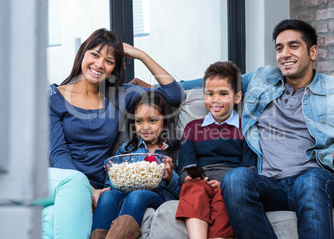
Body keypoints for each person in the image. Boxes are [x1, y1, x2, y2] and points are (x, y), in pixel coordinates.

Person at [164, 19, 334, 239]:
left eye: (294, 46)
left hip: (315, 178)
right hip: (269, 183)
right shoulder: (263, 78)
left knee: (309, 182)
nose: (284, 54)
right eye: (279, 48)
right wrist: (157, 87)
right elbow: (214, 81)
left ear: (312, 52)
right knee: (235, 179)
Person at [47, 28, 184, 238]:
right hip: (70, 182)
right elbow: (58, 153)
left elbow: (173, 96)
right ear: (82, 53)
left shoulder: (120, 95)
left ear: (115, 67)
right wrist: (88, 191)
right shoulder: (54, 97)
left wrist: (140, 54)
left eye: (109, 60)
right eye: (95, 54)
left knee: (110, 200)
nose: (100, 64)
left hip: (106, 185)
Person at [175, 61, 257, 239]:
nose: (215, 100)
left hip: (229, 184)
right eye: (210, 94)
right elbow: (183, 168)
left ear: (237, 97)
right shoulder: (192, 128)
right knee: (193, 190)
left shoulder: (246, 128)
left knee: (225, 198)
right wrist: (188, 177)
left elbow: (250, 169)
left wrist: (226, 183)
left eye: (223, 94)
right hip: (200, 182)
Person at [91, 90, 181, 239]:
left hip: (159, 197)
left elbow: (181, 192)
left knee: (137, 195)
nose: (145, 127)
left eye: (152, 121)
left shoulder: (175, 150)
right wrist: (114, 175)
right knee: (107, 196)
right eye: (139, 121)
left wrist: (170, 177)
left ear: (165, 121)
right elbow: (112, 186)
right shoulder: (127, 149)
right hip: (126, 194)